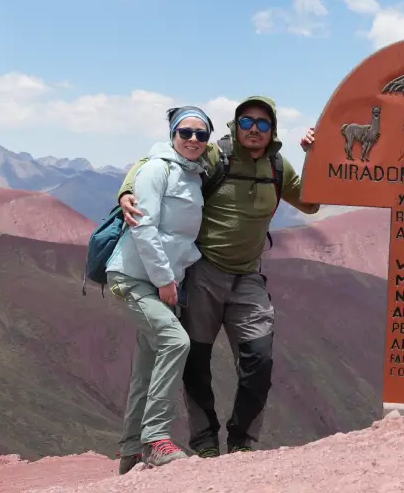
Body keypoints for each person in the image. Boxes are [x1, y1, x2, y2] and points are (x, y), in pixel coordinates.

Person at [116, 95, 319, 457]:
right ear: (234, 126)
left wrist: (315, 156)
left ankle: (241, 443)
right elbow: (163, 157)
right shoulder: (215, 156)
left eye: (262, 123)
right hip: (204, 272)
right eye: (246, 122)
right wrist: (127, 187)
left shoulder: (277, 166)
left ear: (272, 129)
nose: (253, 129)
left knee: (259, 358)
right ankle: (205, 443)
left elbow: (311, 202)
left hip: (248, 277)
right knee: (196, 361)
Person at [106, 105, 214, 474]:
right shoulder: (156, 168)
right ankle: (156, 440)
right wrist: (166, 280)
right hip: (133, 278)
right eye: (186, 132)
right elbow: (143, 227)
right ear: (173, 135)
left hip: (161, 282)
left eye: (202, 134)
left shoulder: (194, 175)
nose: (194, 140)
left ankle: (129, 455)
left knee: (147, 366)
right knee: (175, 341)